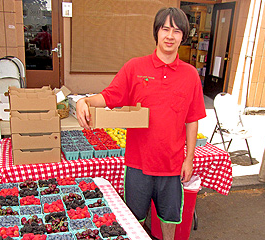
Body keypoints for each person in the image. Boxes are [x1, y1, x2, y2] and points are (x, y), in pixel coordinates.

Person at [76, 7, 206, 240]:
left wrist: (189, 159)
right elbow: (109, 96)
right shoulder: (135, 68)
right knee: (134, 219)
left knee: (169, 218)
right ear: (156, 32)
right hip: (138, 164)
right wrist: (84, 101)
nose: (169, 36)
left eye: (176, 31)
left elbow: (192, 120)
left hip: (172, 164)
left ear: (183, 37)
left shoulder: (190, 75)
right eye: (165, 29)